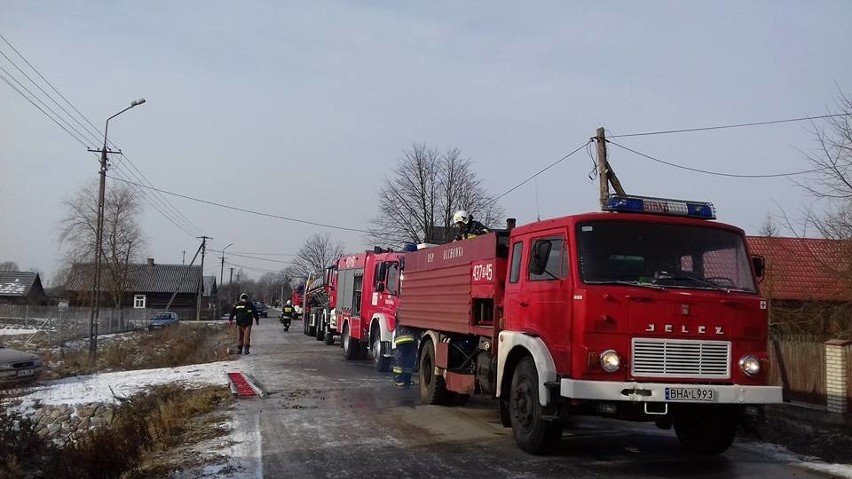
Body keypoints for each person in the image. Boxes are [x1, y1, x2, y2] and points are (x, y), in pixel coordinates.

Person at [392, 311, 417, 389]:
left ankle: (399, 379)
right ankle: (406, 379)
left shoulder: (400, 311)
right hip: (411, 339)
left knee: (400, 360)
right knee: (409, 360)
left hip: (401, 339)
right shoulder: (412, 312)